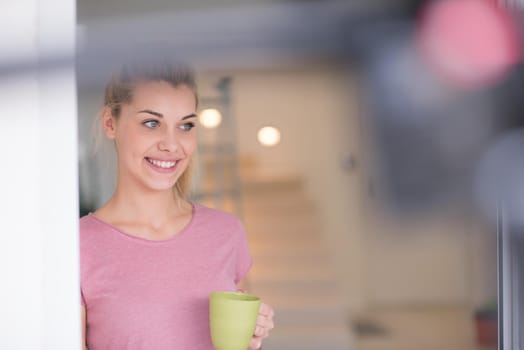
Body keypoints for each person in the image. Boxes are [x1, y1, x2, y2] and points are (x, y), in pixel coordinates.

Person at [80, 60, 274, 349]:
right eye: (151, 123)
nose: (172, 144)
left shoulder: (225, 232)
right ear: (110, 123)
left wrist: (252, 337)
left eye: (185, 125)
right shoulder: (77, 245)